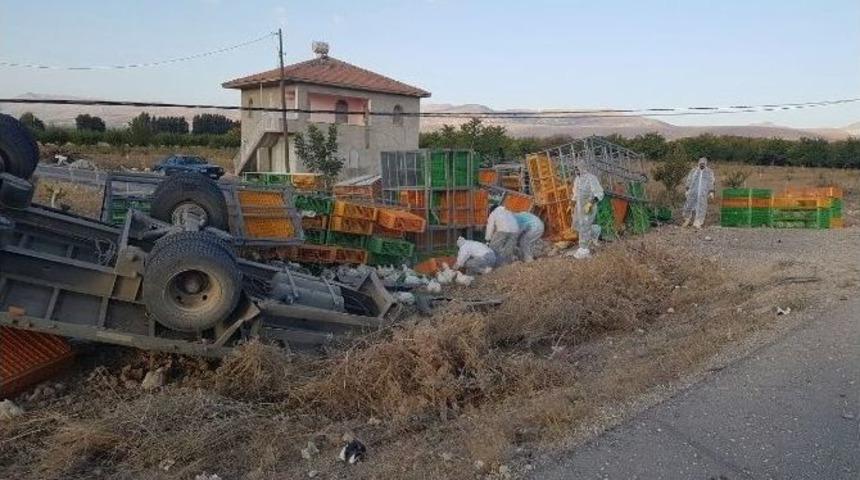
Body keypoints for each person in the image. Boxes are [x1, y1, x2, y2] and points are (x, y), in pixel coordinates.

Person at [571, 163, 605, 259]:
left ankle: (584, 249)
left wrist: (590, 203)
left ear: (583, 168)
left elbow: (599, 193)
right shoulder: (577, 179)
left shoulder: (591, 178)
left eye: (577, 169)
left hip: (588, 206)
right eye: (575, 169)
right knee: (578, 224)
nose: (576, 171)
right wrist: (572, 204)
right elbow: (575, 193)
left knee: (585, 225)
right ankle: (596, 231)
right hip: (579, 206)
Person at [682, 157, 716, 229]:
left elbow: (711, 182)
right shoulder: (694, 171)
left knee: (701, 207)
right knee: (689, 206)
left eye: (703, 164)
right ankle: (687, 220)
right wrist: (687, 190)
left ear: (705, 164)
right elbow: (689, 180)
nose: (702, 165)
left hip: (703, 194)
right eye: (701, 163)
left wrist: (711, 191)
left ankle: (698, 222)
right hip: (693, 193)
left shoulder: (709, 172)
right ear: (698, 163)